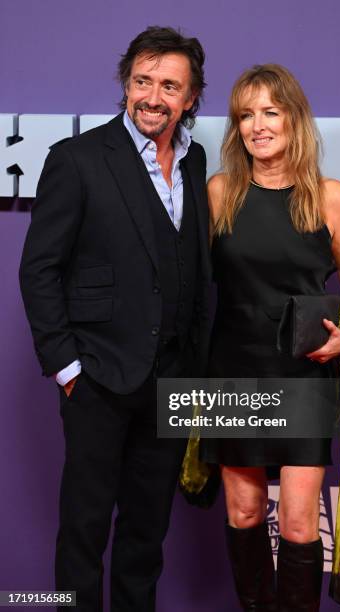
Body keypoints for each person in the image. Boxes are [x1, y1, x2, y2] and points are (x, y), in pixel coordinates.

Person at [19, 26, 210, 612]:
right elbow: (39, 269)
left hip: (173, 379)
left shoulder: (196, 160)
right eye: (142, 81)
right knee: (84, 531)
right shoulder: (76, 160)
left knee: (146, 536)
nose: (152, 96)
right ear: (126, 84)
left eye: (169, 85)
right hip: (98, 376)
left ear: (191, 98)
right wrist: (68, 367)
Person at [200, 64, 340, 611]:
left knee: (298, 521)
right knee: (244, 514)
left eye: (270, 112)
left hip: (303, 373)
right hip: (231, 370)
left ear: (294, 120)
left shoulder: (330, 196)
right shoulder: (220, 192)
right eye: (246, 115)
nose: (258, 125)